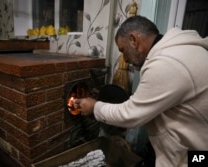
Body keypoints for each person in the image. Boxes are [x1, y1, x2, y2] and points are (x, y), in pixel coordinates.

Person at [74, 15, 208, 167]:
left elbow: (130, 115)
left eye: (123, 51)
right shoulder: (180, 50)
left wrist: (94, 107)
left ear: (133, 40)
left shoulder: (166, 64)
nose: (124, 59)